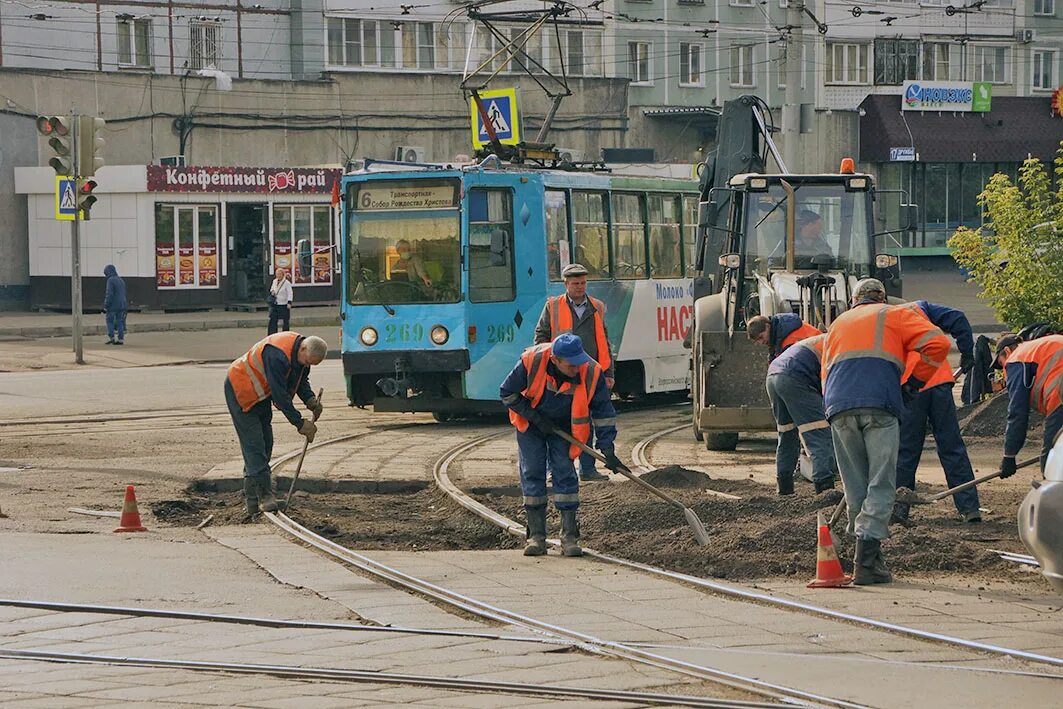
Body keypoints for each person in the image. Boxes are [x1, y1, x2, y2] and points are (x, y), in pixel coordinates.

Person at [822, 278, 950, 585]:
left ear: (854, 301)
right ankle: (865, 563)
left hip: (838, 407)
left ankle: (868, 558)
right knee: (880, 483)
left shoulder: (837, 324)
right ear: (882, 298)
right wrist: (915, 383)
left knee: (856, 486)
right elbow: (939, 344)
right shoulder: (894, 314)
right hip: (880, 404)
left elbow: (825, 370)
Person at [500, 333, 619, 557]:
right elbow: (507, 393)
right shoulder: (531, 361)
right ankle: (536, 536)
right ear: (555, 360)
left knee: (564, 473)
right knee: (533, 471)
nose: (577, 368)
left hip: (566, 428)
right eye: (571, 364)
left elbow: (603, 412)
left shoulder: (591, 372)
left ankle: (570, 537)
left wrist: (608, 449)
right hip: (532, 423)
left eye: (579, 362)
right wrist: (535, 417)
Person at [893, 301, 981, 525]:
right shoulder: (919, 308)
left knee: (905, 451)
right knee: (952, 446)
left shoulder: (880, 318)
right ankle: (970, 508)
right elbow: (958, 317)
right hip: (939, 381)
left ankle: (899, 510)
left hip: (909, 387)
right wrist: (966, 352)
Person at [225, 332, 326, 516]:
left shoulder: (300, 354)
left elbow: (300, 379)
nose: (307, 365)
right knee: (254, 446)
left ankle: (253, 501)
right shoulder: (277, 355)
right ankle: (263, 497)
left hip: (260, 395)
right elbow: (280, 396)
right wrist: (300, 423)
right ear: (303, 348)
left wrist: (310, 400)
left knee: (266, 443)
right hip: (241, 391)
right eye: (308, 362)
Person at [533, 263, 616, 482]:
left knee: (584, 421)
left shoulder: (596, 306)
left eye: (583, 283)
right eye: (575, 283)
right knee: (559, 422)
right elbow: (541, 336)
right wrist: (547, 366)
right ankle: (556, 470)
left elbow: (604, 342)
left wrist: (608, 373)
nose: (580, 287)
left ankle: (588, 469)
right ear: (566, 284)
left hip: (589, 373)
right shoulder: (552, 306)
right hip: (559, 373)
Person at [766, 334, 837, 495]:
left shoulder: (822, 339)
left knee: (787, 434)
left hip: (774, 375)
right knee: (819, 434)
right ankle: (825, 490)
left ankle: (784, 489)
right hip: (795, 377)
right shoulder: (839, 343)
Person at [994, 333, 1063, 477]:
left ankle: (1055, 498)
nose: (1005, 372)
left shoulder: (1016, 358)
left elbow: (1017, 411)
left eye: (1001, 364)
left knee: (1052, 459)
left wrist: (1009, 455)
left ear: (1007, 352)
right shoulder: (1038, 349)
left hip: (1059, 397)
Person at [747, 313, 821, 360]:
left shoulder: (789, 339)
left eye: (761, 337)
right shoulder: (780, 336)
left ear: (767, 326)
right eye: (758, 340)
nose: (761, 342)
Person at [103, 264, 127, 345]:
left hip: (113, 305)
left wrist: (106, 305)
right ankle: (121, 339)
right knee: (120, 321)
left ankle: (112, 337)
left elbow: (109, 294)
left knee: (109, 321)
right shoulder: (121, 280)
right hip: (122, 304)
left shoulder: (110, 280)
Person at [268, 268, 293, 335]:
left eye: (279, 274)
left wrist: (289, 302)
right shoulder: (274, 281)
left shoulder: (287, 283)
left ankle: (285, 334)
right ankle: (272, 334)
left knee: (285, 320)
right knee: (273, 319)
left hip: (283, 304)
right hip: (275, 303)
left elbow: (290, 293)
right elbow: (272, 289)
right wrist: (272, 291)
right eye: (277, 274)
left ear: (283, 275)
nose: (278, 276)